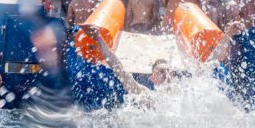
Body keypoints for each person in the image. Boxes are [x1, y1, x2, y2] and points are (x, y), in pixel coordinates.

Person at [81, 21, 244, 96]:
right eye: (161, 71)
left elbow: (211, 62)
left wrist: (228, 34)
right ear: (152, 77)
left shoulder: (188, 94)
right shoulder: (146, 96)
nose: (166, 73)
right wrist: (98, 38)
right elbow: (119, 69)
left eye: (168, 70)